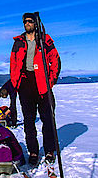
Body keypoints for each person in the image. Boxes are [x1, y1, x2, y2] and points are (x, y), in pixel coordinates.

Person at [10, 12, 61, 165]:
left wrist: (50, 81)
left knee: (48, 119)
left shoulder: (45, 39)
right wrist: (15, 83)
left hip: (42, 83)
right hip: (25, 84)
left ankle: (50, 150)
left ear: (36, 23)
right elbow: (13, 63)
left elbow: (56, 60)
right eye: (25, 21)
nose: (27, 23)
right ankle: (33, 151)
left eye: (30, 21)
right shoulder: (18, 41)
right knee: (29, 121)